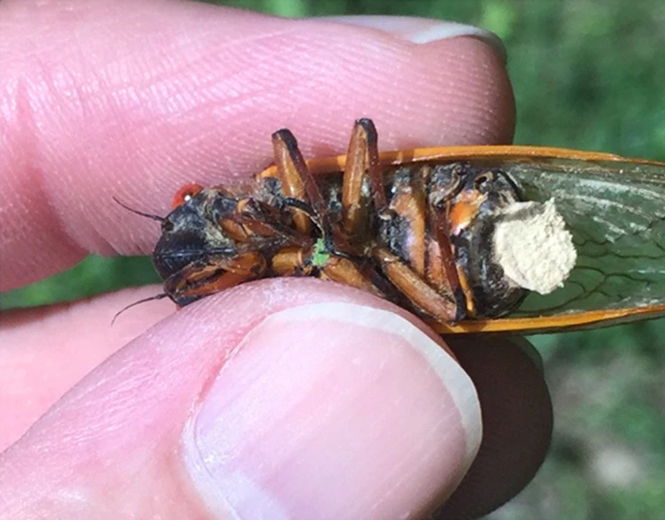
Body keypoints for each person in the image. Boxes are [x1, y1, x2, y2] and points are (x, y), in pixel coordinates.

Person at [0, 1, 552, 518]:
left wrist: (309, 224)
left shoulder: (271, 192)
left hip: (421, 205)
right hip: (435, 286)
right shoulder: (271, 284)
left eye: (192, 201)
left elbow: (328, 141)